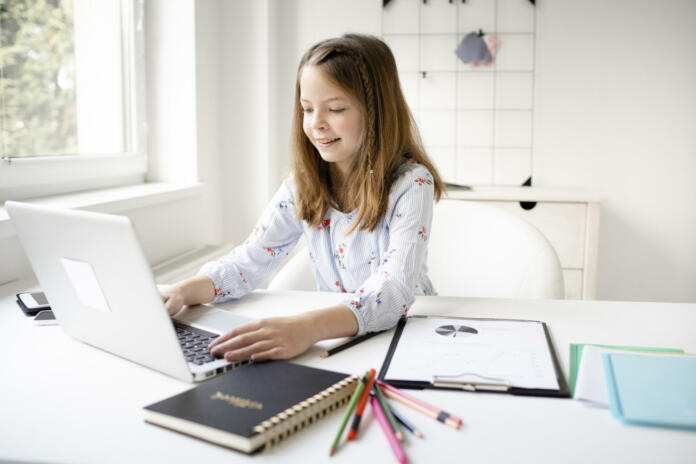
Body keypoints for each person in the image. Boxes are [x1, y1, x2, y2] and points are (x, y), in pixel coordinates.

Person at [161, 33, 444, 363]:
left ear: (377, 112)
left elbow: (393, 290)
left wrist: (307, 328)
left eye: (335, 109)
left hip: (407, 337)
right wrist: (182, 291)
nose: (317, 124)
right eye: (307, 109)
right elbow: (250, 259)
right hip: (340, 338)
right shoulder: (303, 184)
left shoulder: (411, 184)